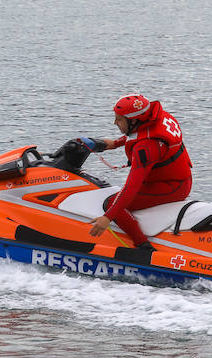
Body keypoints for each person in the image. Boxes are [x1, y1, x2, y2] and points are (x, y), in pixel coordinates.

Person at [77, 94, 192, 249]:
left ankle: (142, 246)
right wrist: (116, 143)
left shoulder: (146, 148)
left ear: (133, 120)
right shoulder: (156, 117)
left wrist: (107, 218)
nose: (115, 122)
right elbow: (144, 131)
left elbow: (132, 187)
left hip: (172, 187)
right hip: (178, 180)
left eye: (119, 119)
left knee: (111, 203)